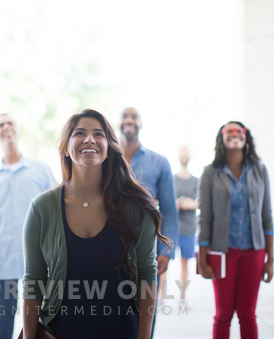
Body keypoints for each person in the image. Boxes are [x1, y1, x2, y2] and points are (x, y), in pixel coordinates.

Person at [22, 109, 171, 339]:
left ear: (109, 148)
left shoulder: (136, 208)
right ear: (66, 148)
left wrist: (144, 336)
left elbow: (146, 275)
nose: (89, 139)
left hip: (122, 332)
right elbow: (33, 280)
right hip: (60, 332)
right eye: (80, 133)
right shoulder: (42, 208)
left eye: (98, 134)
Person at [0, 114, 55, 339]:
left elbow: (57, 213)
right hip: (0, 261)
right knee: (2, 324)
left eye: (10, 123)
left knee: (43, 323)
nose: (6, 127)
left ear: (18, 131)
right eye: (0, 124)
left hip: (39, 260)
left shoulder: (40, 170)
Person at [197, 121, 274, 339]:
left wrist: (270, 259)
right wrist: (202, 260)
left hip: (254, 251)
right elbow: (205, 218)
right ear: (221, 139)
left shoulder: (260, 170)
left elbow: (267, 216)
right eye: (228, 131)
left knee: (248, 314)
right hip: (223, 252)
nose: (234, 134)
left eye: (238, 131)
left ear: (246, 137)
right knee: (223, 315)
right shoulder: (210, 173)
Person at [119, 107, 178, 335]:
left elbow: (170, 211)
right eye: (124, 116)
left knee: (146, 317)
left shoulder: (159, 162)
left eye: (134, 117)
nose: (129, 120)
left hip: (148, 253)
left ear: (141, 124)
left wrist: (166, 250)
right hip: (110, 249)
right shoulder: (106, 159)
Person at [158, 146, 198, 304]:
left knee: (185, 264)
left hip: (189, 228)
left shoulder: (196, 180)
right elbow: (164, 202)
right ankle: (160, 297)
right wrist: (177, 204)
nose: (184, 155)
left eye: (186, 153)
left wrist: (191, 204)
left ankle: (183, 296)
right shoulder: (172, 179)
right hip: (171, 229)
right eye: (182, 152)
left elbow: (201, 202)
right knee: (164, 261)